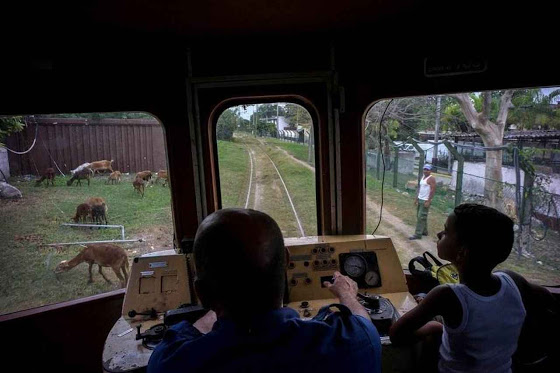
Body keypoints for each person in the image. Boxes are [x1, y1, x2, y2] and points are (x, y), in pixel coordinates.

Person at [148, 208, 381, 373]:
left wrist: (215, 304)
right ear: (286, 265)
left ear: (202, 292)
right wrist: (347, 294)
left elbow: (187, 336)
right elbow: (364, 324)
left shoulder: (169, 363)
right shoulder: (354, 345)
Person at [390, 203, 559, 372]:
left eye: (446, 231)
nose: (439, 234)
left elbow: (397, 335)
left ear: (462, 252)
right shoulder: (513, 280)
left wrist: (435, 327)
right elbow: (547, 299)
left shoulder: (446, 295)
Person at [410, 163, 436, 240]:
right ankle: (424, 231)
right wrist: (416, 198)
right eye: (424, 169)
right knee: (419, 216)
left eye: (427, 170)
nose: (425, 171)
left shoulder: (431, 178)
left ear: (430, 171)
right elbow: (420, 188)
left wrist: (428, 201)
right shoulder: (423, 177)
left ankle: (418, 234)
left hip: (425, 200)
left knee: (421, 217)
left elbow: (433, 190)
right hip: (420, 198)